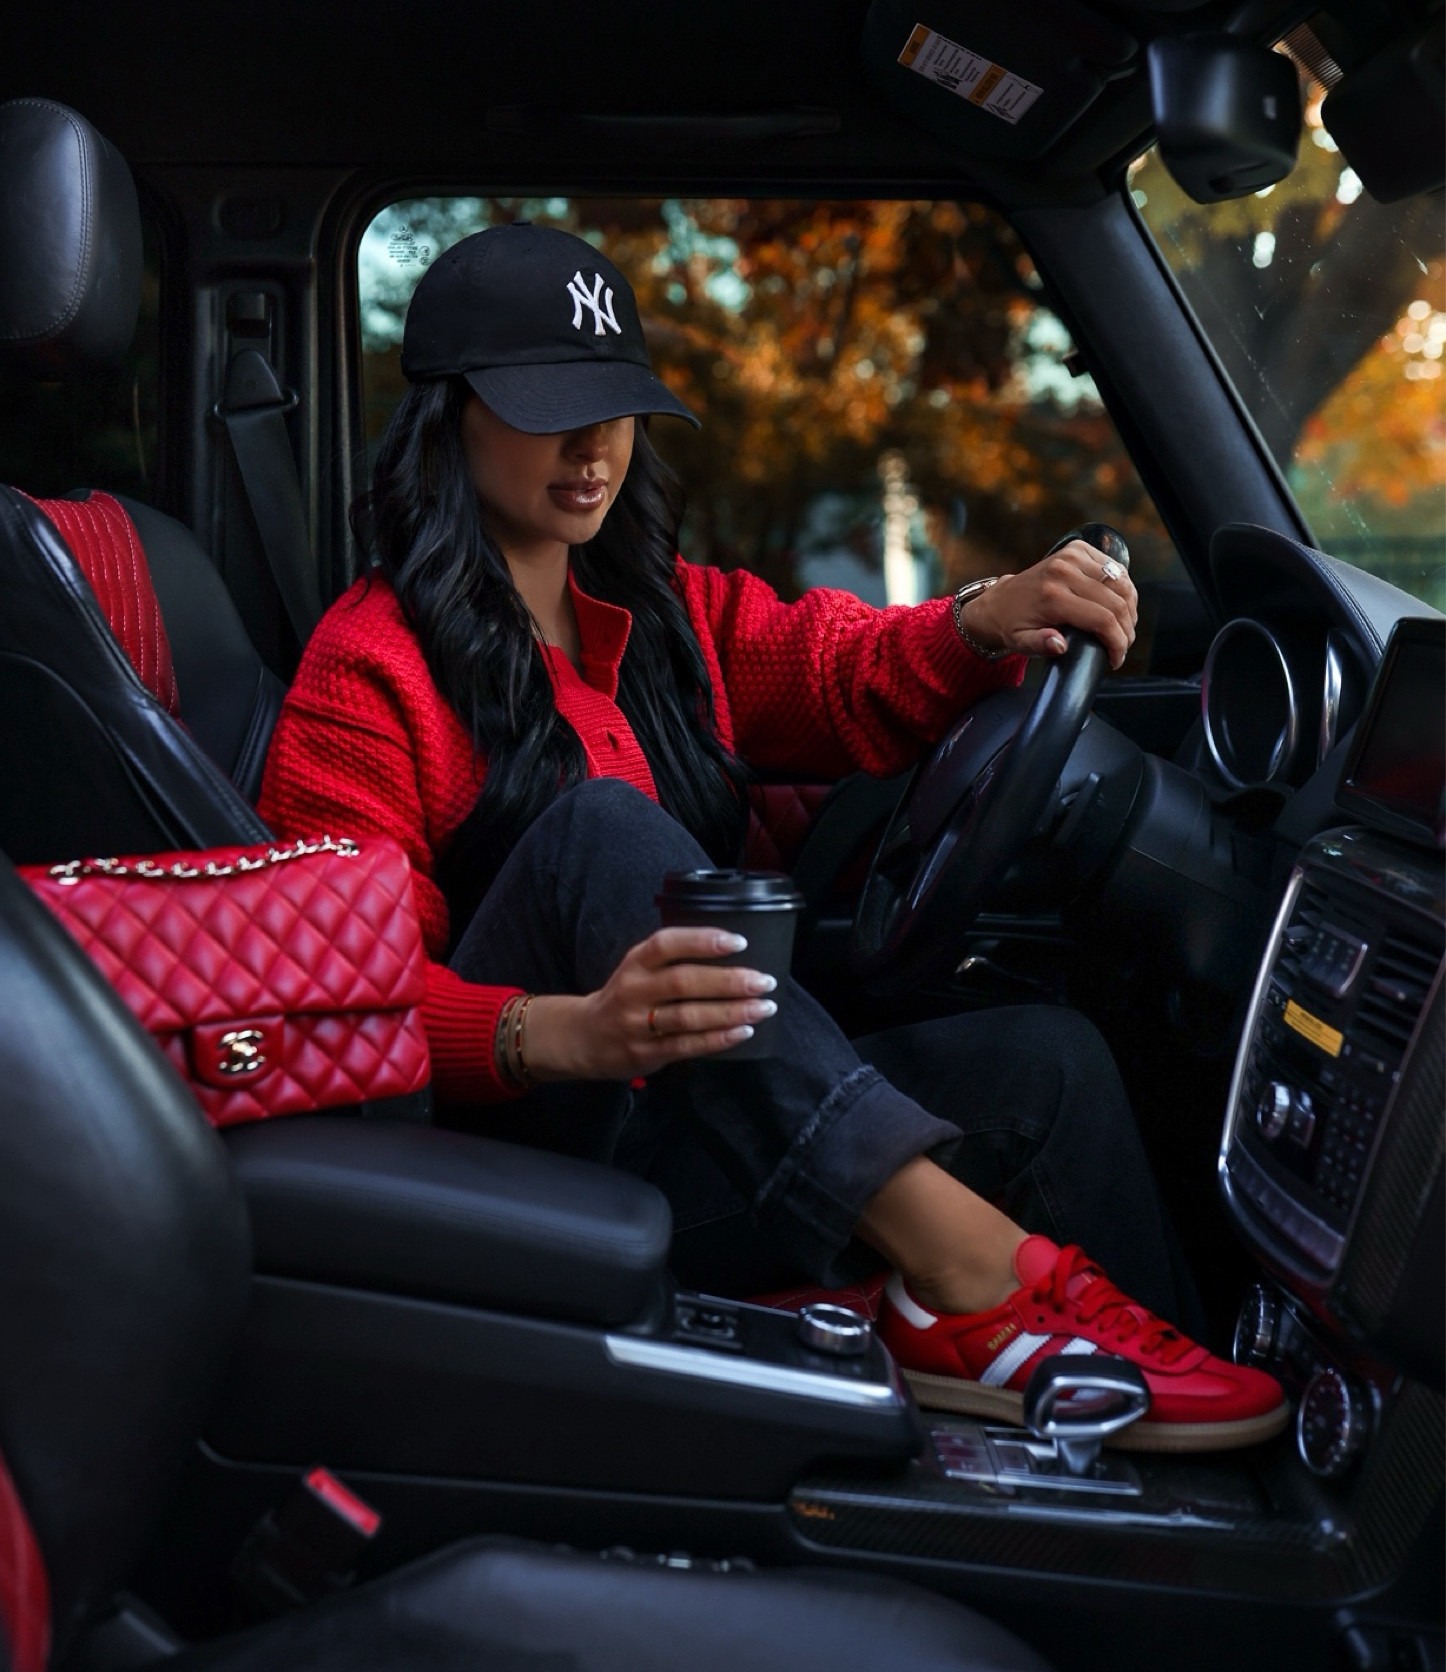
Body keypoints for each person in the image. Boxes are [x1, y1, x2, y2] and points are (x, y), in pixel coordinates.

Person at [262, 223, 1284, 1451]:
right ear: (451, 418)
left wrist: (984, 616)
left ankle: (1190, 1447)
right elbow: (339, 1002)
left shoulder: (662, 614)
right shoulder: (366, 668)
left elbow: (841, 672)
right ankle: (965, 1275)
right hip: (534, 1159)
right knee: (599, 829)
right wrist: (563, 1030)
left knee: (1048, 1063)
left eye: (615, 408)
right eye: (550, 411)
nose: (594, 448)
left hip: (694, 1123)